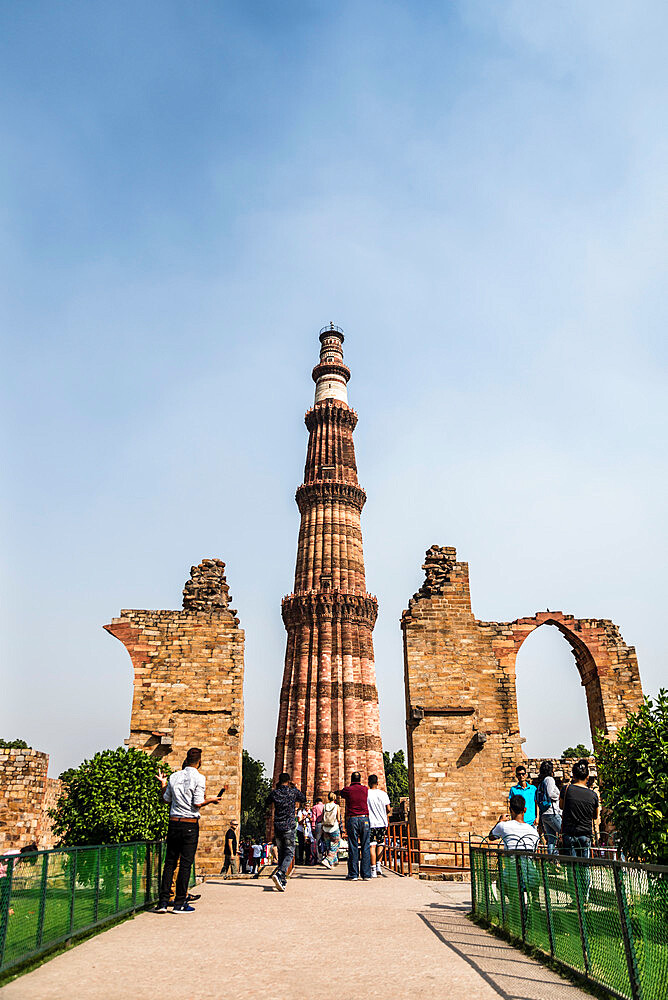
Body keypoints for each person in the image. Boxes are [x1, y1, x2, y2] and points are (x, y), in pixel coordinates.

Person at [156, 747, 223, 913]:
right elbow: (197, 803)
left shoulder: (174, 776)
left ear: (186, 760)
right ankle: (179, 904)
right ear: (199, 762)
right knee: (185, 864)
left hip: (173, 823)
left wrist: (163, 784)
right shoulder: (199, 778)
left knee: (169, 863)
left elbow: (166, 800)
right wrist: (212, 799)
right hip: (189, 825)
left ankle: (163, 903)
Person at [265, 772, 306, 892]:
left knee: (282, 853)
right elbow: (303, 798)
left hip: (278, 826)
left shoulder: (275, 793)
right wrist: (294, 787)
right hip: (288, 826)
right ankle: (281, 873)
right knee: (289, 853)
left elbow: (267, 801)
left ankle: (281, 880)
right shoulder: (292, 792)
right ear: (288, 781)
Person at [339, 771, 371, 881]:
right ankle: (366, 874)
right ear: (360, 779)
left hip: (353, 819)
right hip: (364, 818)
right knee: (365, 846)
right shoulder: (365, 789)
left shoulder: (348, 790)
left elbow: (341, 793)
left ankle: (353, 874)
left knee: (353, 846)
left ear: (351, 780)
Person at [536, 760, 562, 854]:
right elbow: (550, 793)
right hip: (552, 812)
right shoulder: (549, 779)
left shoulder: (542, 781)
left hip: (545, 813)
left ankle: (551, 860)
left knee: (551, 838)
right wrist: (559, 796)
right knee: (565, 833)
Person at [367, 775, 391, 877]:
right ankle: (378, 865)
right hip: (382, 823)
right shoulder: (383, 794)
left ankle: (372, 870)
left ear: (368, 783)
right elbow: (388, 809)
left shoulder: (366, 794)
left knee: (372, 845)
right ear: (377, 782)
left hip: (371, 823)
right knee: (380, 844)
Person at [320, 791, 342, 869]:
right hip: (334, 828)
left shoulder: (325, 806)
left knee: (329, 846)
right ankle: (327, 859)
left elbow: (322, 817)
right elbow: (338, 819)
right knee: (336, 844)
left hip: (325, 828)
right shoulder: (336, 806)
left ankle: (331, 863)